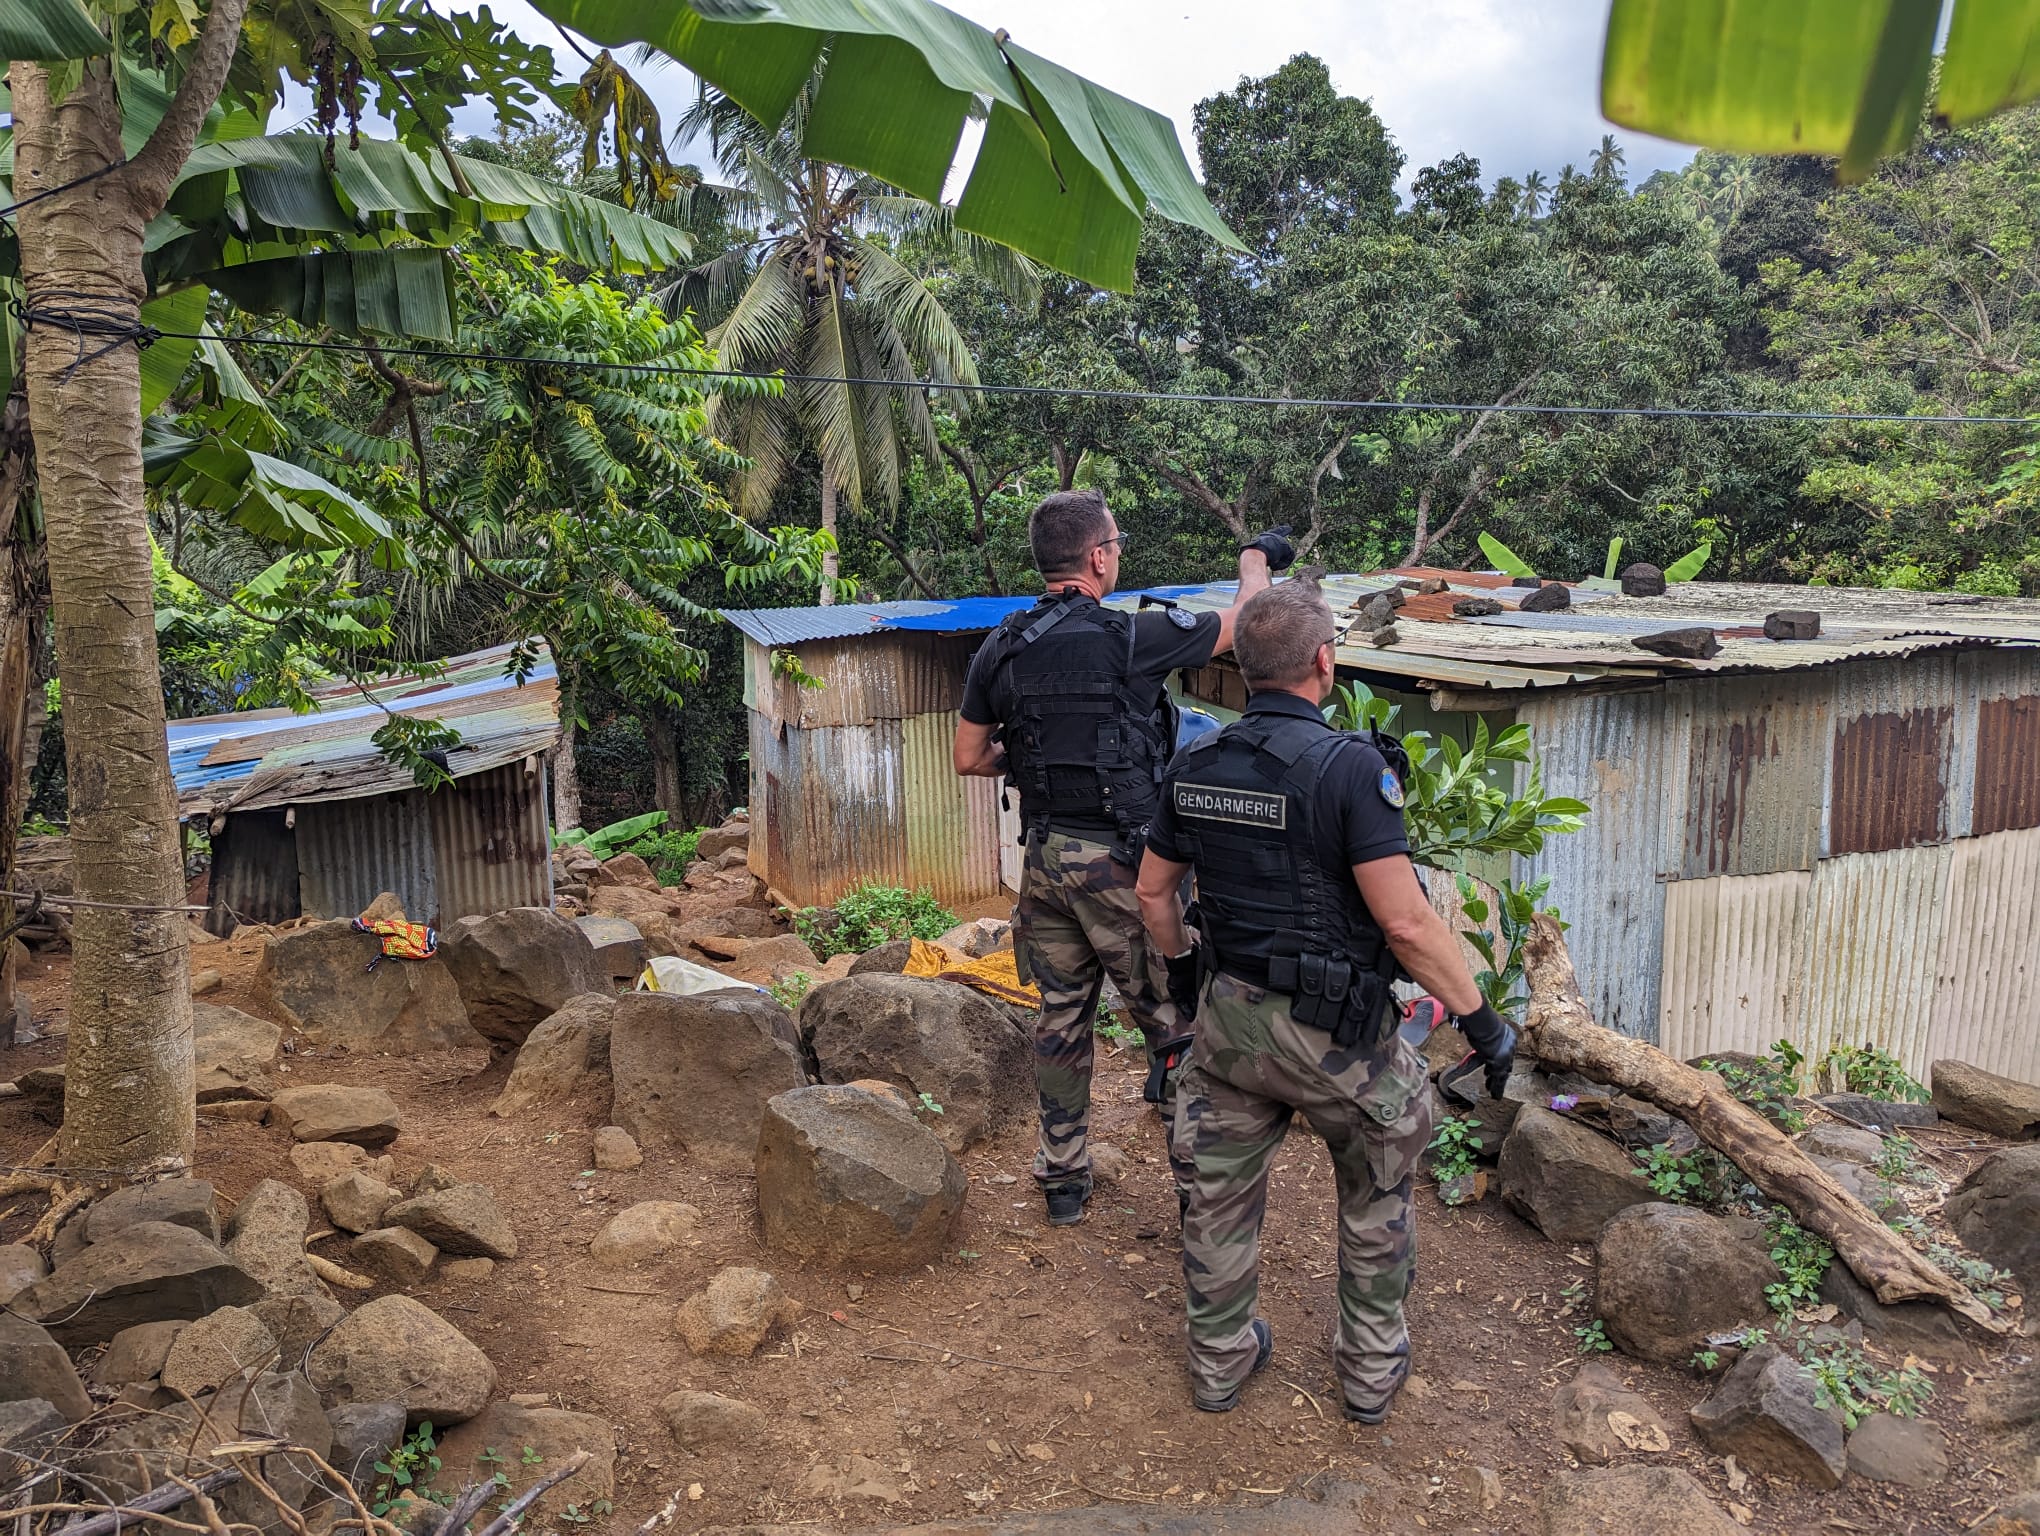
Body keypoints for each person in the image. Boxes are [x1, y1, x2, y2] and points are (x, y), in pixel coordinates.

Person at [1133, 579, 1516, 1422]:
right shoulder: (1351, 768)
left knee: (1217, 1196)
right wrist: (1484, 1024)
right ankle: (1370, 1375)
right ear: (1323, 661)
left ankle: (1218, 1366)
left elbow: (1154, 896)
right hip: (1337, 1036)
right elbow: (1408, 925)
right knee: (1379, 1180)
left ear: (1239, 665)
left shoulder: (1194, 762)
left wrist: (1190, 975)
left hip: (1230, 1024)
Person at [953, 489, 1291, 1226]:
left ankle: (1064, 1180)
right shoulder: (1132, 637)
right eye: (1118, 544)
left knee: (1062, 1018)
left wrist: (1041, 748)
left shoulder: (1001, 645)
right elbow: (1251, 624)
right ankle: (1197, 1195)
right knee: (1172, 1022)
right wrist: (1255, 560)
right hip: (1123, 865)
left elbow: (970, 756)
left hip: (1042, 861)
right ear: (1100, 557)